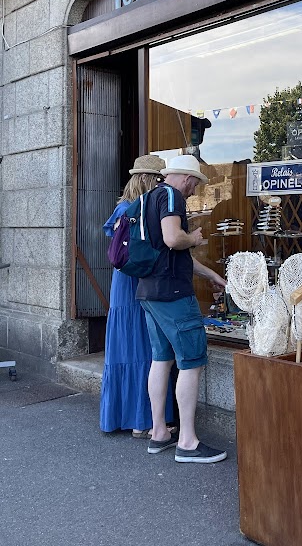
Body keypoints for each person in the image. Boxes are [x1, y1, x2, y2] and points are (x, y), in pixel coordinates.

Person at [137, 154, 228, 463]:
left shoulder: (149, 197)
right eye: (195, 185)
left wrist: (211, 274)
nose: (194, 191)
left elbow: (172, 253)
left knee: (160, 359)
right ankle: (187, 441)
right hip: (174, 295)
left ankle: (159, 432)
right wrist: (194, 238)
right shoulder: (173, 196)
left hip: (149, 291)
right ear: (188, 179)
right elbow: (174, 239)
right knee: (191, 361)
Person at [100, 154, 175, 436]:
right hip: (138, 280)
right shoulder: (137, 209)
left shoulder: (123, 208)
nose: (161, 185)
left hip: (123, 281)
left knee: (128, 347)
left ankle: (126, 416)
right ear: (147, 179)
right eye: (158, 180)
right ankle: (143, 421)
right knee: (143, 347)